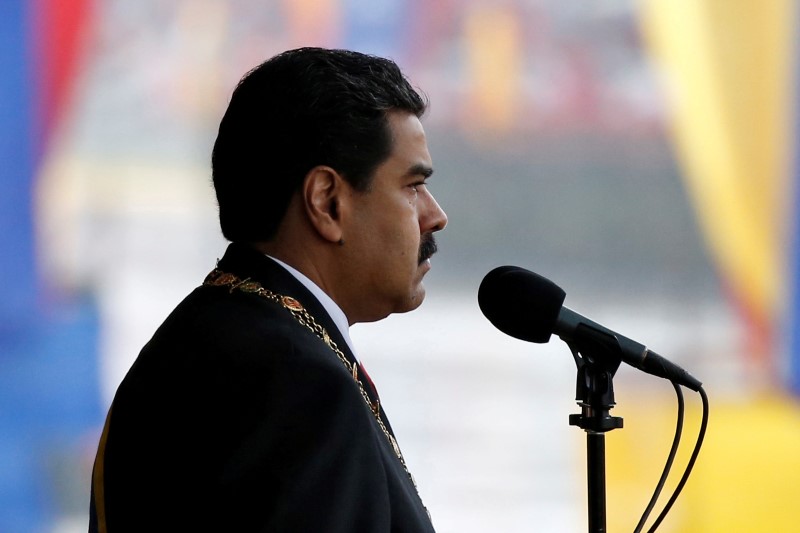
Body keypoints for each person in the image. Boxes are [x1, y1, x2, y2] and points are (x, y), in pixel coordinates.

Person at [88, 47, 447, 532]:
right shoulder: (301, 383)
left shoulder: (208, 334)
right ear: (327, 201)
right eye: (411, 186)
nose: (434, 215)